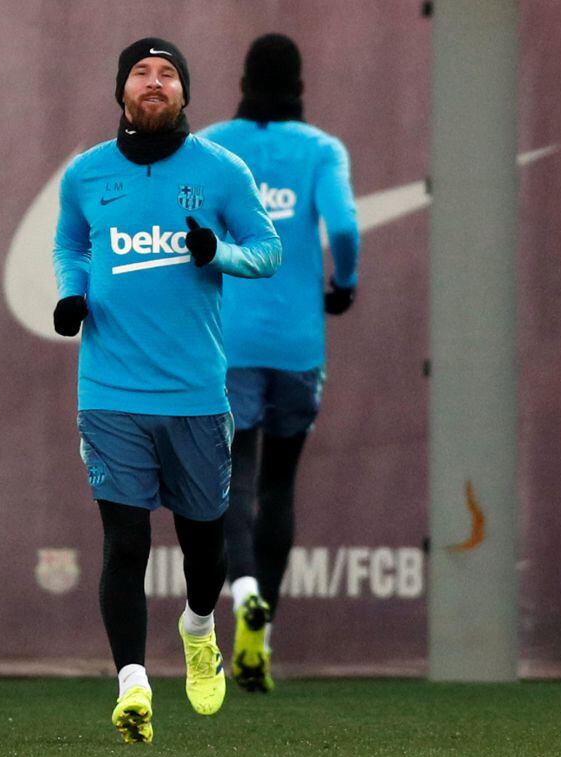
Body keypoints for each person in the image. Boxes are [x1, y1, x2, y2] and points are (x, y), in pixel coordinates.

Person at [52, 38, 281, 743]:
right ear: (120, 90)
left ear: (186, 94)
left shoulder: (220, 171)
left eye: (169, 74)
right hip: (111, 391)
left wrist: (221, 254)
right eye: (142, 73)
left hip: (195, 394)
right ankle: (133, 685)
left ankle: (200, 627)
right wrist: (72, 294)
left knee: (202, 548)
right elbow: (71, 246)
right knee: (124, 543)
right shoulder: (87, 174)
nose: (155, 82)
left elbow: (268, 251)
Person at [200, 33, 360, 693]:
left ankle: (242, 592)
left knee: (233, 479)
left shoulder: (211, 145)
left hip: (227, 342)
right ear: (299, 83)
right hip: (297, 345)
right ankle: (261, 635)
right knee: (280, 487)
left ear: (244, 78)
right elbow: (344, 227)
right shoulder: (320, 150)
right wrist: (343, 283)